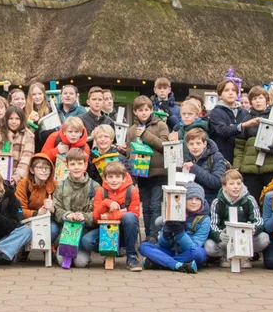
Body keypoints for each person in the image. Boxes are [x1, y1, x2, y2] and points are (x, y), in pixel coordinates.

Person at [232, 86, 273, 201]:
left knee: (272, 201)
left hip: (272, 168)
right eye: (254, 99)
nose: (258, 101)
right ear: (251, 102)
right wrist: (237, 168)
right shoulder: (246, 119)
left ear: (267, 99)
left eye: (260, 98)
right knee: (252, 201)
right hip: (250, 170)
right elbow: (239, 146)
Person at [124, 95, 169, 242]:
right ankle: (147, 235)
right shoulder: (131, 130)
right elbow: (129, 150)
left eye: (147, 109)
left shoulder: (160, 125)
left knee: (156, 205)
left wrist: (145, 135)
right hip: (141, 174)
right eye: (140, 110)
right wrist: (126, 152)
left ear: (151, 110)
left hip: (158, 172)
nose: (144, 112)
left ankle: (154, 235)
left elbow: (165, 146)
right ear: (135, 112)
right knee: (146, 206)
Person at [140, 181, 209, 273]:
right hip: (170, 251)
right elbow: (163, 245)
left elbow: (193, 247)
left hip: (187, 253)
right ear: (184, 200)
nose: (194, 202)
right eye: (190, 198)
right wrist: (166, 234)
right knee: (144, 246)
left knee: (199, 253)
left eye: (197, 199)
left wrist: (180, 233)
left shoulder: (204, 219)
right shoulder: (173, 213)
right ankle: (177, 265)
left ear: (202, 201)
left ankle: (160, 262)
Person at [205, 169, 269, 268]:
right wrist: (220, 235)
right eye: (231, 184)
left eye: (239, 183)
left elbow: (258, 220)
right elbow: (213, 225)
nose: (236, 187)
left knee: (264, 238)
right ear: (224, 187)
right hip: (226, 240)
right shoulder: (217, 202)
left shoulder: (249, 200)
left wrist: (253, 229)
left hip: (245, 238)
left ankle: (245, 256)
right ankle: (226, 256)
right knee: (209, 246)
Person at [89, 161, 142, 271]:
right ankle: (109, 251)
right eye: (110, 177)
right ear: (105, 178)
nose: (114, 180)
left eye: (117, 177)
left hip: (125, 232)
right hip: (105, 231)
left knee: (129, 217)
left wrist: (109, 215)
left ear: (123, 178)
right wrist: (106, 203)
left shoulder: (132, 191)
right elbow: (95, 217)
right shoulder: (100, 191)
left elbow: (134, 215)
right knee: (87, 241)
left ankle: (131, 256)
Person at [54, 149, 99, 268]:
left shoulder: (94, 186)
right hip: (66, 234)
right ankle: (59, 249)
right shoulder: (60, 186)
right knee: (61, 260)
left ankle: (85, 253)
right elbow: (57, 208)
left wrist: (85, 216)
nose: (76, 167)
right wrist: (66, 214)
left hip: (84, 232)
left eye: (80, 164)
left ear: (85, 166)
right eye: (72, 164)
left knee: (80, 263)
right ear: (67, 166)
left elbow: (98, 211)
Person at [0, 106, 35, 186]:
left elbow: (26, 160)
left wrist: (16, 177)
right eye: (11, 119)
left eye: (17, 119)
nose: (14, 122)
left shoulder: (29, 135)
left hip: (18, 180)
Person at [15, 154, 58, 245]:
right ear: (32, 170)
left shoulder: (55, 185)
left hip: (47, 219)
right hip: (28, 219)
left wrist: (52, 209)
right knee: (24, 229)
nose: (44, 171)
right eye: (39, 168)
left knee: (53, 230)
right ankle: (23, 249)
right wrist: (36, 213)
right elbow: (19, 209)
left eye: (47, 168)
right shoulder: (23, 184)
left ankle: (48, 249)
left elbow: (61, 208)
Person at [208, 79, 252, 164]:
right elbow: (222, 130)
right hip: (223, 158)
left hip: (242, 159)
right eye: (226, 90)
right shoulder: (215, 112)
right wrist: (241, 126)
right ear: (220, 95)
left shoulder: (244, 113)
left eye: (233, 90)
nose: (231, 93)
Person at [182, 128, 226, 203]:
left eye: (198, 143)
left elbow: (217, 182)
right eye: (191, 144)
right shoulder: (187, 159)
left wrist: (194, 167)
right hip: (192, 201)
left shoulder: (216, 157)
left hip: (212, 201)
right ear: (187, 145)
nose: (195, 147)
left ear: (205, 144)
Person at [25, 82, 53, 152]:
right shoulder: (25, 109)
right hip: (28, 147)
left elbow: (49, 131)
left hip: (45, 146)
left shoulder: (50, 108)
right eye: (34, 94)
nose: (37, 97)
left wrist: (38, 122)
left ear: (44, 94)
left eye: (40, 94)